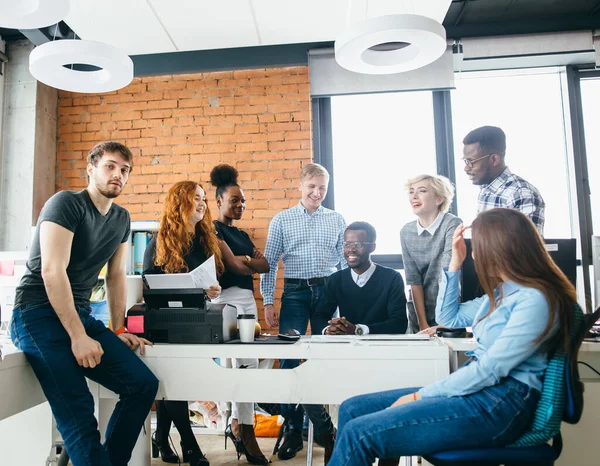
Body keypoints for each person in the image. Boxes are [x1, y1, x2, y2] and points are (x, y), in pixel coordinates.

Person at [327, 208, 579, 466]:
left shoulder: (535, 299)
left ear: (500, 248)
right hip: (483, 392)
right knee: (352, 408)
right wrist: (455, 264)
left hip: (501, 402)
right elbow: (447, 318)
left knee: (360, 435)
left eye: (478, 246)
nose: (475, 254)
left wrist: (419, 396)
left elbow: (491, 370)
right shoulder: (502, 294)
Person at [10, 141, 159, 466]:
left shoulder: (121, 218)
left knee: (142, 385)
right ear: (90, 169)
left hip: (78, 312)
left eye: (125, 170)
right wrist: (78, 337)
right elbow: (52, 271)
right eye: (110, 166)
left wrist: (117, 327)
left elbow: (116, 276)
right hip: (36, 313)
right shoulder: (65, 203)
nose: (118, 174)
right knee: (79, 412)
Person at [260, 163, 346, 462]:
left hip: (328, 291)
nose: (317, 192)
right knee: (288, 361)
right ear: (300, 186)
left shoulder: (336, 219)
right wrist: (268, 301)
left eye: (322, 187)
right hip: (295, 292)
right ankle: (297, 429)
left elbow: (345, 264)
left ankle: (315, 425)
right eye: (311, 186)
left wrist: (346, 303)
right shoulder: (282, 220)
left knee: (324, 358)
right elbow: (269, 263)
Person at [143, 180, 224, 466]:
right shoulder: (159, 242)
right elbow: (149, 286)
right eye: (195, 198)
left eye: (204, 198)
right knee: (174, 382)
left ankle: (161, 436)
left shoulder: (204, 241)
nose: (202, 203)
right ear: (180, 204)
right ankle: (190, 446)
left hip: (197, 322)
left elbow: (211, 283)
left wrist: (213, 290)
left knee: (175, 384)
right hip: (167, 324)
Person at [209, 164, 271, 466]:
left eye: (243, 200)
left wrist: (248, 261)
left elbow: (266, 266)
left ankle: (237, 424)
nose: (240, 205)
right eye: (234, 199)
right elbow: (234, 267)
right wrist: (248, 262)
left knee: (247, 367)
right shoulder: (212, 229)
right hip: (227, 303)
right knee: (243, 368)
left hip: (248, 302)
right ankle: (246, 432)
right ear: (219, 200)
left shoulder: (242, 234)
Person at [312, 222, 407, 336]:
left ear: (372, 247)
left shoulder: (392, 278)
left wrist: (358, 330)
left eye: (358, 245)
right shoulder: (336, 279)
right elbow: (319, 317)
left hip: (382, 347)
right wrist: (329, 330)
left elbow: (399, 323)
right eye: (347, 244)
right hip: (348, 349)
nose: (351, 249)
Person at [400, 174, 462, 334]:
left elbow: (446, 275)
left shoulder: (452, 224)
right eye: (411, 191)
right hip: (419, 312)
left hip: (448, 308)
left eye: (422, 191)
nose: (414, 196)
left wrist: (442, 323)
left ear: (439, 199)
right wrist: (423, 324)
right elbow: (413, 280)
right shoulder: (406, 231)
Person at [462, 125, 545, 234]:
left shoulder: (521, 193)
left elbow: (527, 249)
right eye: (465, 161)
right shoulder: (486, 189)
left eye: (471, 162)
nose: (466, 168)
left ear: (494, 159)